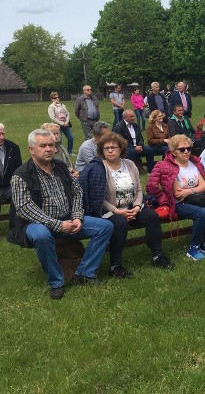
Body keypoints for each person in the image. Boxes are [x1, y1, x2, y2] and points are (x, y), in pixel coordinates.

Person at [8, 129, 113, 299]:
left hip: (68, 219)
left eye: (51, 145)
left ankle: (85, 273)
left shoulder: (61, 167)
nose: (49, 149)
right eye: (43, 146)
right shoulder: (21, 175)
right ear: (31, 149)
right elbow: (24, 208)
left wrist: (78, 216)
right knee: (41, 236)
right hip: (34, 224)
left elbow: (77, 191)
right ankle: (56, 282)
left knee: (105, 227)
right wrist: (57, 225)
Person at [79, 132, 174, 275]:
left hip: (132, 207)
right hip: (109, 211)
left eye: (113, 147)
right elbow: (98, 199)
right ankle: (115, 266)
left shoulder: (129, 164)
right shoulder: (99, 168)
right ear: (101, 151)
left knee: (152, 216)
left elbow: (139, 190)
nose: (110, 150)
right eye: (106, 148)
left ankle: (157, 256)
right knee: (120, 223)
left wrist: (136, 207)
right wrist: (117, 211)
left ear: (121, 149)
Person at [147, 134, 205, 260]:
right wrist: (193, 190)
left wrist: (189, 191)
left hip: (197, 199)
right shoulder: (168, 167)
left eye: (189, 149)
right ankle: (194, 247)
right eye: (182, 149)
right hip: (178, 203)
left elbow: (204, 186)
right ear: (173, 152)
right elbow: (178, 193)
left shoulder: (194, 163)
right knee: (202, 213)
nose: (186, 152)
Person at [0, 123, 22, 203]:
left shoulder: (13, 148)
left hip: (10, 187)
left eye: (3, 134)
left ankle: (15, 216)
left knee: (22, 195)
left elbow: (19, 170)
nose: (2, 137)